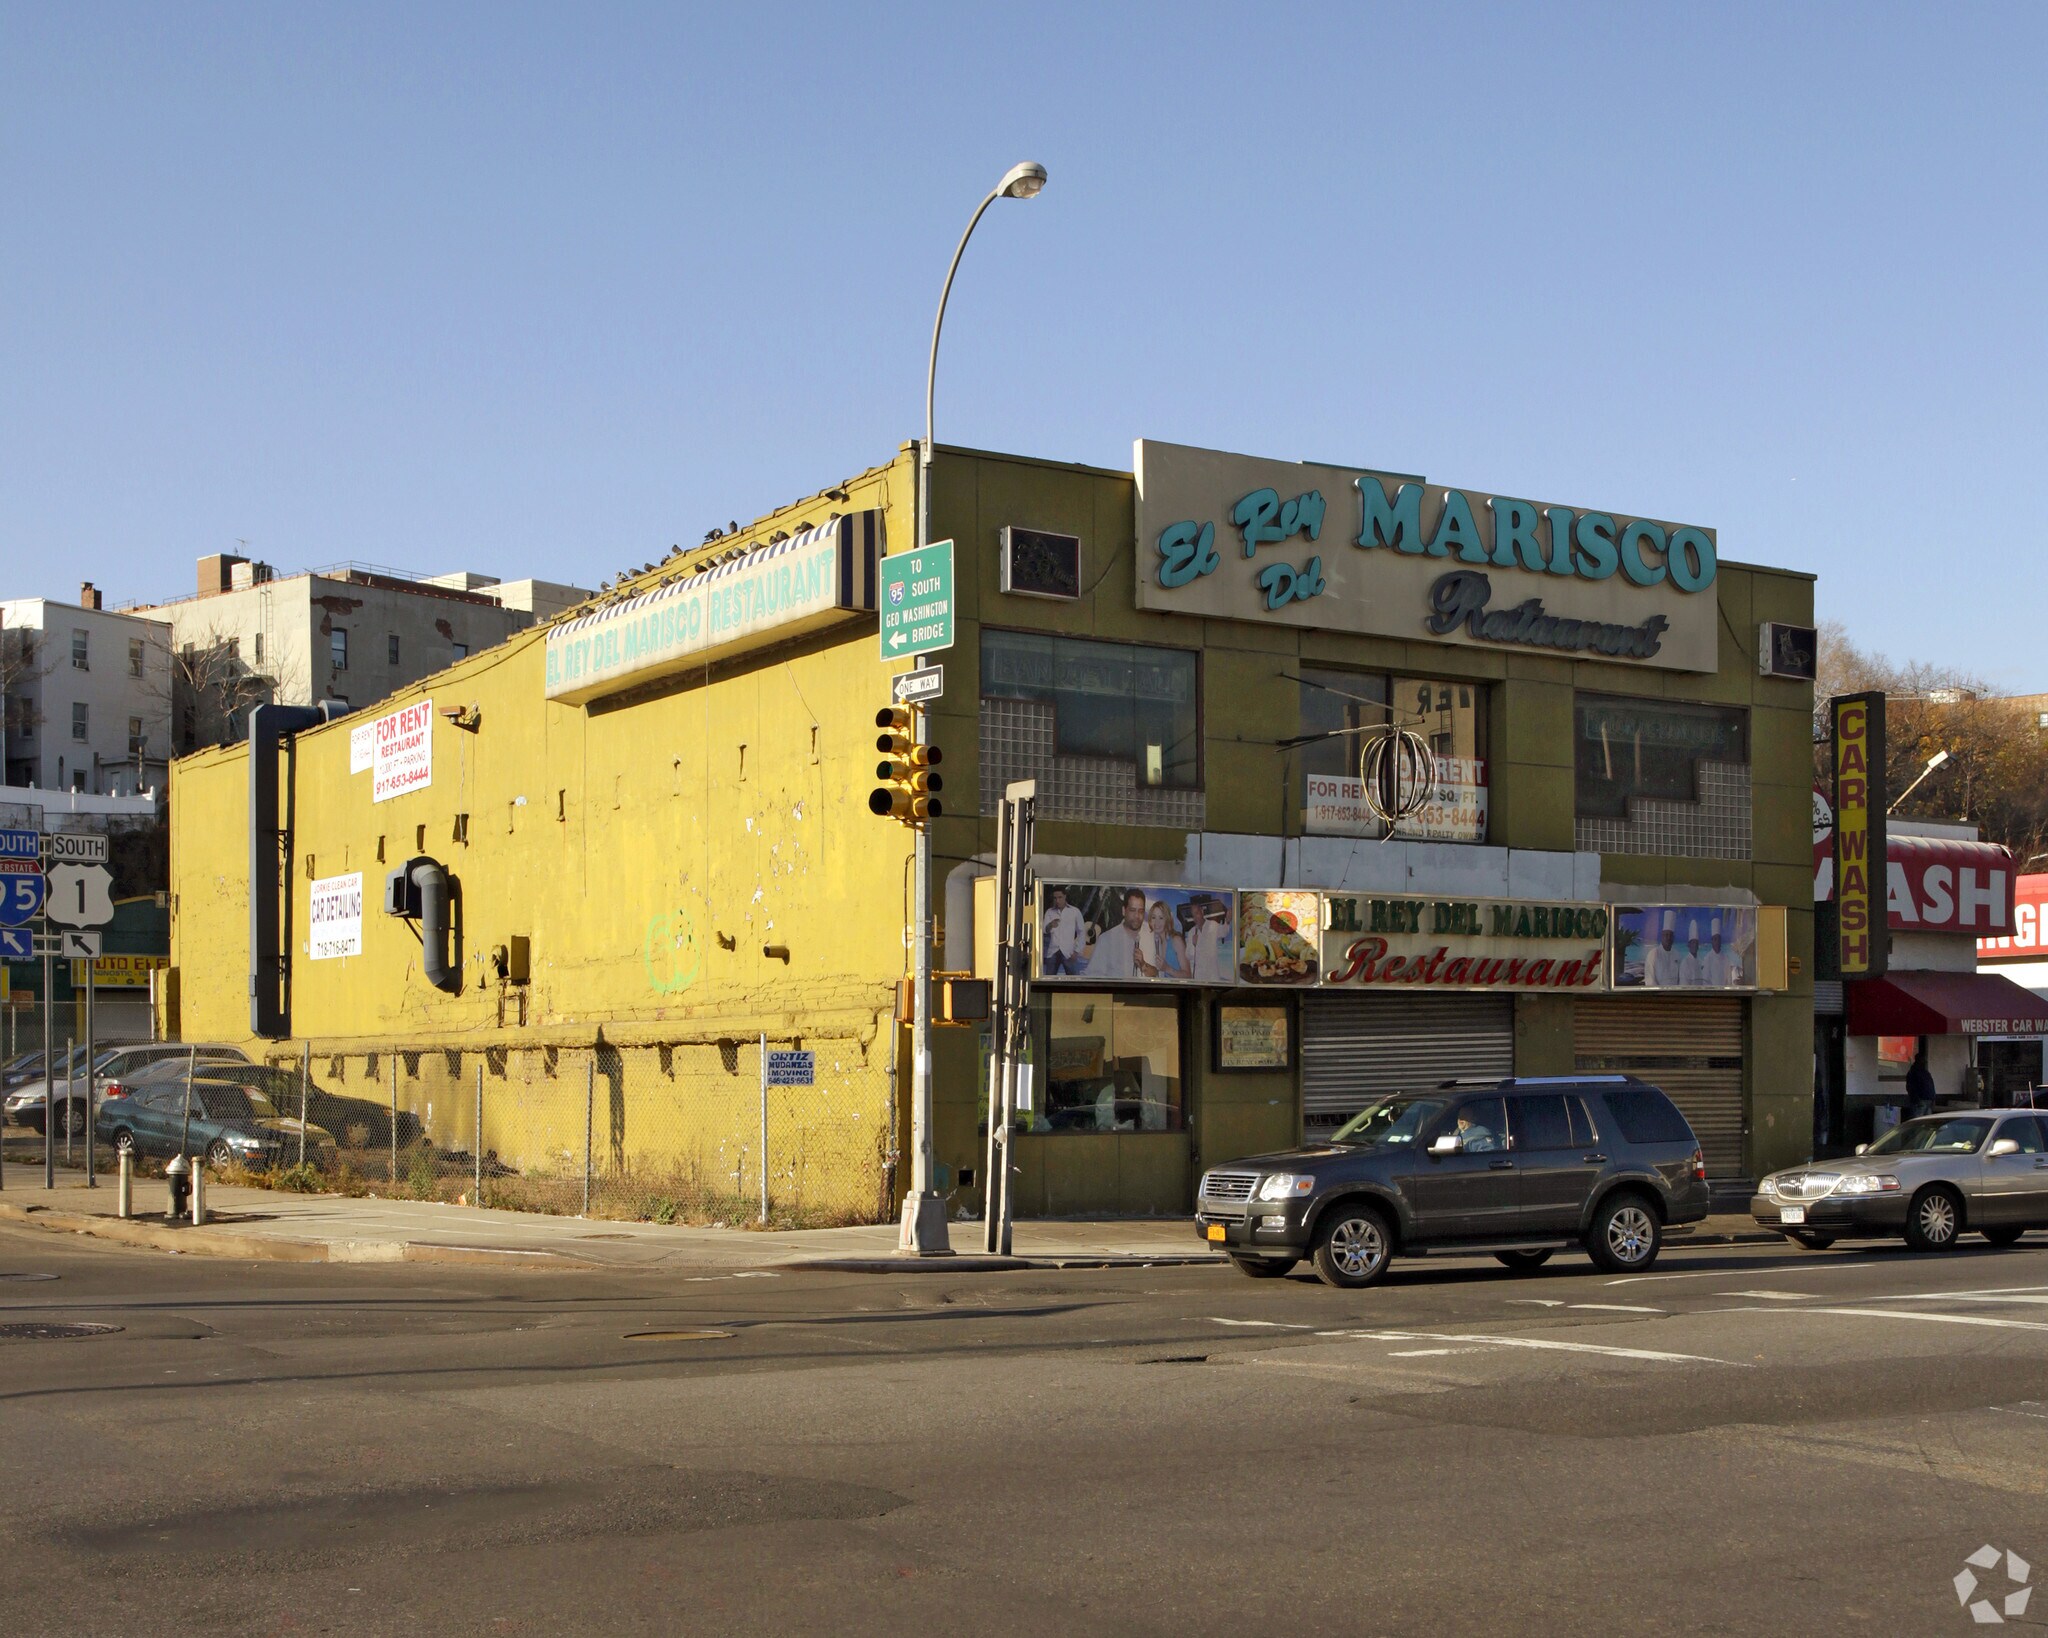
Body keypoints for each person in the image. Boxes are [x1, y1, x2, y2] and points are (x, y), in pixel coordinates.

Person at [1087, 889, 1149, 979]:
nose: (1137, 916)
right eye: (1132, 910)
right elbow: (1093, 976)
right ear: (1124, 910)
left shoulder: (1151, 936)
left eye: (1141, 911)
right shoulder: (1106, 940)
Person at [1041, 887, 1086, 977]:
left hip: (1068, 952)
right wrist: (1050, 925)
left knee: (1074, 982)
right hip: (1053, 951)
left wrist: (1076, 951)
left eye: (1060, 897)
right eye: (1055, 898)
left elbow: (1082, 932)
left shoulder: (1074, 911)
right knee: (1049, 981)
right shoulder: (1050, 912)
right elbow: (1043, 930)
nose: (1057, 900)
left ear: (1065, 896)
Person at [1142, 901, 1188, 978]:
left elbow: (1188, 976)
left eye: (1161, 918)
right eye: (1153, 917)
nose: (1157, 922)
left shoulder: (1176, 940)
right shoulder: (1157, 942)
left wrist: (1167, 968)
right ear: (1150, 920)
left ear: (1167, 919)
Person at [1648, 910, 1684, 987]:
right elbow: (1650, 980)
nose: (1668, 938)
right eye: (1666, 935)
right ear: (1662, 936)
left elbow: (1681, 978)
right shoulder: (1653, 954)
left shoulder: (1678, 955)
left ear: (1673, 937)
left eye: (1670, 935)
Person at [1905, 1041, 1937, 1121]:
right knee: (1918, 1122)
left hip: (1927, 1100)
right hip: (1920, 1101)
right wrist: (1916, 1099)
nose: (1925, 1061)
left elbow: (1930, 1085)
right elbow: (1911, 1087)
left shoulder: (1924, 1072)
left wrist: (1933, 1098)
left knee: (1927, 1122)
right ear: (1919, 1060)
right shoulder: (1914, 1072)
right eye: (1923, 1060)